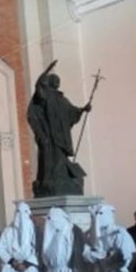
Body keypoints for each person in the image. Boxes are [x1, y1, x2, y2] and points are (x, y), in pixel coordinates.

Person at [27, 59, 92, 197]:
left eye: (58, 80)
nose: (57, 82)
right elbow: (38, 86)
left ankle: (62, 180)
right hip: (50, 137)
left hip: (62, 137)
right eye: (54, 80)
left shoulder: (62, 99)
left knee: (61, 160)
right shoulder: (46, 96)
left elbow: (72, 113)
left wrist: (83, 109)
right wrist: (46, 71)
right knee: (51, 159)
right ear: (49, 82)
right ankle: (50, 181)